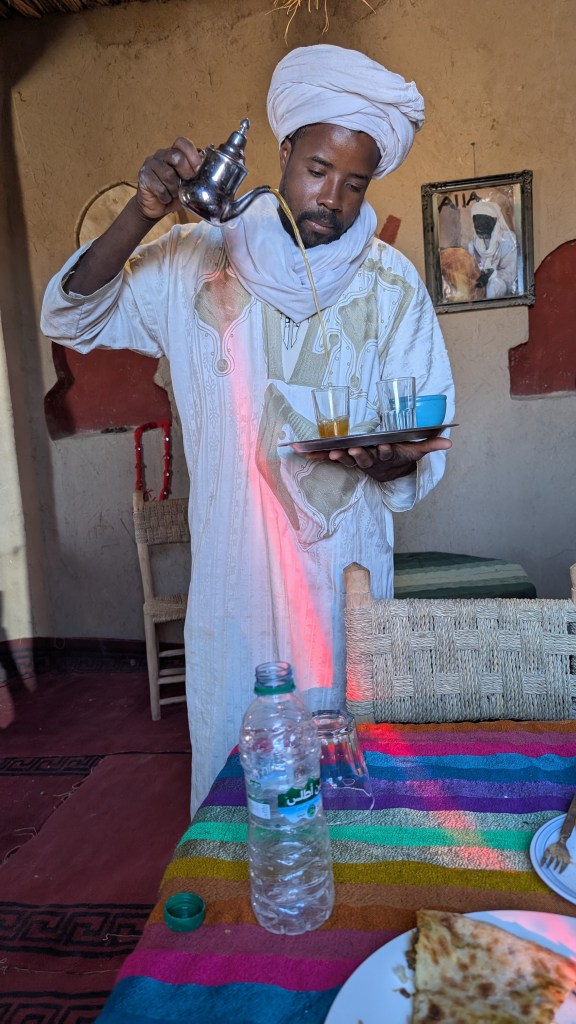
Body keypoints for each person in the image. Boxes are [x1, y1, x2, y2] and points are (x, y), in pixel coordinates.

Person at [41, 44, 455, 814]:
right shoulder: (199, 256)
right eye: (319, 169)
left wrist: (394, 460)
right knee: (239, 792)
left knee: (349, 784)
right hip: (233, 586)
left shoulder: (390, 283)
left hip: (346, 585)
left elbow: (422, 436)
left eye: (356, 182)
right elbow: (70, 313)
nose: (332, 197)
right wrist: (144, 210)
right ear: (286, 148)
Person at [467, 199, 518, 299]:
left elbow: (511, 275)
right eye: (477, 222)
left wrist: (490, 275)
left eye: (484, 222)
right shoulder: (473, 244)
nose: (480, 227)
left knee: (495, 285)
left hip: (501, 285)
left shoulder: (508, 240)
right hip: (479, 286)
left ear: (494, 221)